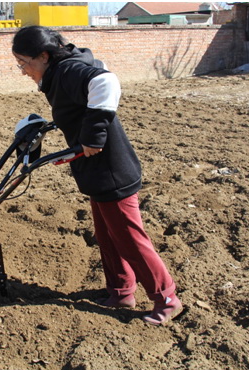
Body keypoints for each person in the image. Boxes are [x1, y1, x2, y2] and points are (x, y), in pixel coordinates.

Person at [12, 26, 182, 326]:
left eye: (25, 63)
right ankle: (121, 291)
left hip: (112, 171)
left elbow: (105, 80)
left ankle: (166, 298)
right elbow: (94, 71)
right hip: (97, 173)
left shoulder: (67, 70)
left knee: (130, 239)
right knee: (107, 235)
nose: (24, 71)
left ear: (44, 55)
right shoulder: (60, 72)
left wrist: (93, 134)